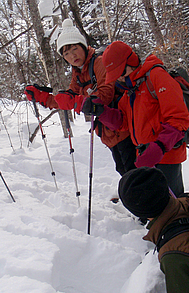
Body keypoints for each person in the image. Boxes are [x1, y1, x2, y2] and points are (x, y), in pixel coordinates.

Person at [24, 19, 136, 176]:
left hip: (125, 128)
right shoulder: (78, 72)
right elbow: (69, 99)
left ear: (83, 46)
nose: (72, 56)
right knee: (125, 171)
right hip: (109, 131)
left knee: (135, 175)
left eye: (75, 49)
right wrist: (42, 97)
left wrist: (77, 101)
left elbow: (105, 94)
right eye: (66, 53)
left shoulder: (99, 62)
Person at [82, 41, 189, 196]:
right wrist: (101, 112)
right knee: (155, 205)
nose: (119, 79)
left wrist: (158, 147)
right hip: (145, 158)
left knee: (173, 207)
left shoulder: (156, 76)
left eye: (121, 73)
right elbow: (123, 122)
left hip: (167, 156)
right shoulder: (131, 90)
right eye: (116, 76)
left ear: (131, 62)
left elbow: (179, 119)